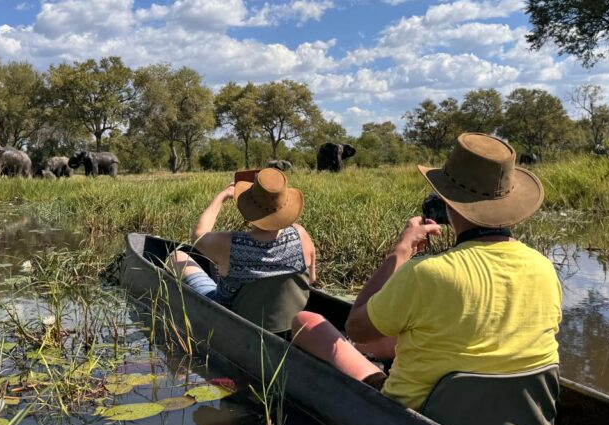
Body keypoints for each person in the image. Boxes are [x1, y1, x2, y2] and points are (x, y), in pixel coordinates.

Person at [291, 132, 562, 410]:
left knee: (307, 321)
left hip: (421, 419)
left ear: (448, 200)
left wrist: (400, 251)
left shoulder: (427, 273)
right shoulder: (544, 268)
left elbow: (356, 328)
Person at [170, 167, 317, 305]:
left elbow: (197, 236)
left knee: (177, 256)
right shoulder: (301, 234)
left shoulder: (230, 244)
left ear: (248, 206)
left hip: (230, 311)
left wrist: (223, 195)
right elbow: (311, 280)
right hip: (288, 319)